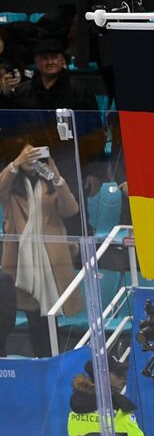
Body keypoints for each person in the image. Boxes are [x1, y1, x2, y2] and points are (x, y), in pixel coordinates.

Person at [0, 140, 80, 356]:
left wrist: (57, 178)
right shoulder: (11, 188)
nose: (30, 159)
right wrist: (16, 164)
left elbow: (71, 209)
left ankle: (53, 359)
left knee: (51, 318)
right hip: (22, 263)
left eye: (35, 154)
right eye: (27, 154)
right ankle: (40, 359)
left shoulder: (50, 183)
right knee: (34, 319)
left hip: (52, 261)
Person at [68, 355, 146, 436]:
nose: (123, 379)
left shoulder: (73, 413)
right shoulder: (118, 411)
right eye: (118, 374)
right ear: (103, 376)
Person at [8, 39, 98, 112]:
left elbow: (93, 127)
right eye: (45, 58)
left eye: (54, 57)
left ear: (62, 60)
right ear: (36, 61)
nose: (50, 62)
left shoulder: (80, 91)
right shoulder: (22, 91)